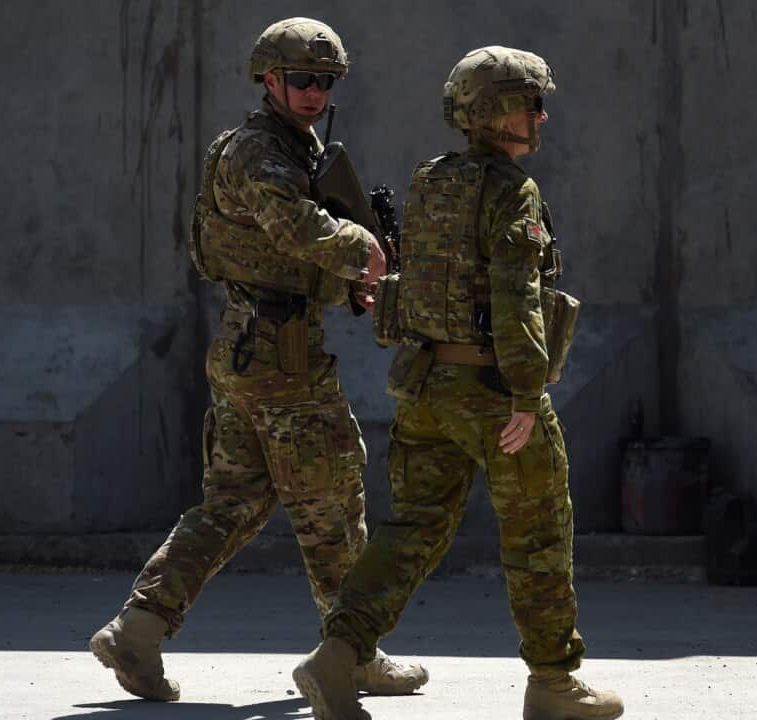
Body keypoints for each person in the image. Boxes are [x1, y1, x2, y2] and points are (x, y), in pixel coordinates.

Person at [88, 17, 428, 702]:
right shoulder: (259, 153)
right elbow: (294, 227)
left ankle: (140, 628)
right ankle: (353, 653)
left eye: (325, 81)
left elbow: (281, 252)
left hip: (253, 349)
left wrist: (345, 281)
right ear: (268, 79)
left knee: (232, 504)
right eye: (301, 78)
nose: (313, 91)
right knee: (332, 502)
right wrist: (363, 247)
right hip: (281, 360)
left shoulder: (289, 148)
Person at [292, 46, 623, 720]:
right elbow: (516, 300)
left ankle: (337, 657)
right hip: (491, 390)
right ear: (496, 111)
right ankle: (555, 684)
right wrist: (528, 396)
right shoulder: (511, 193)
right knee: (538, 532)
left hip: (426, 385)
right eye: (530, 102)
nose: (541, 115)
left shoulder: (432, 178)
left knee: (410, 528)